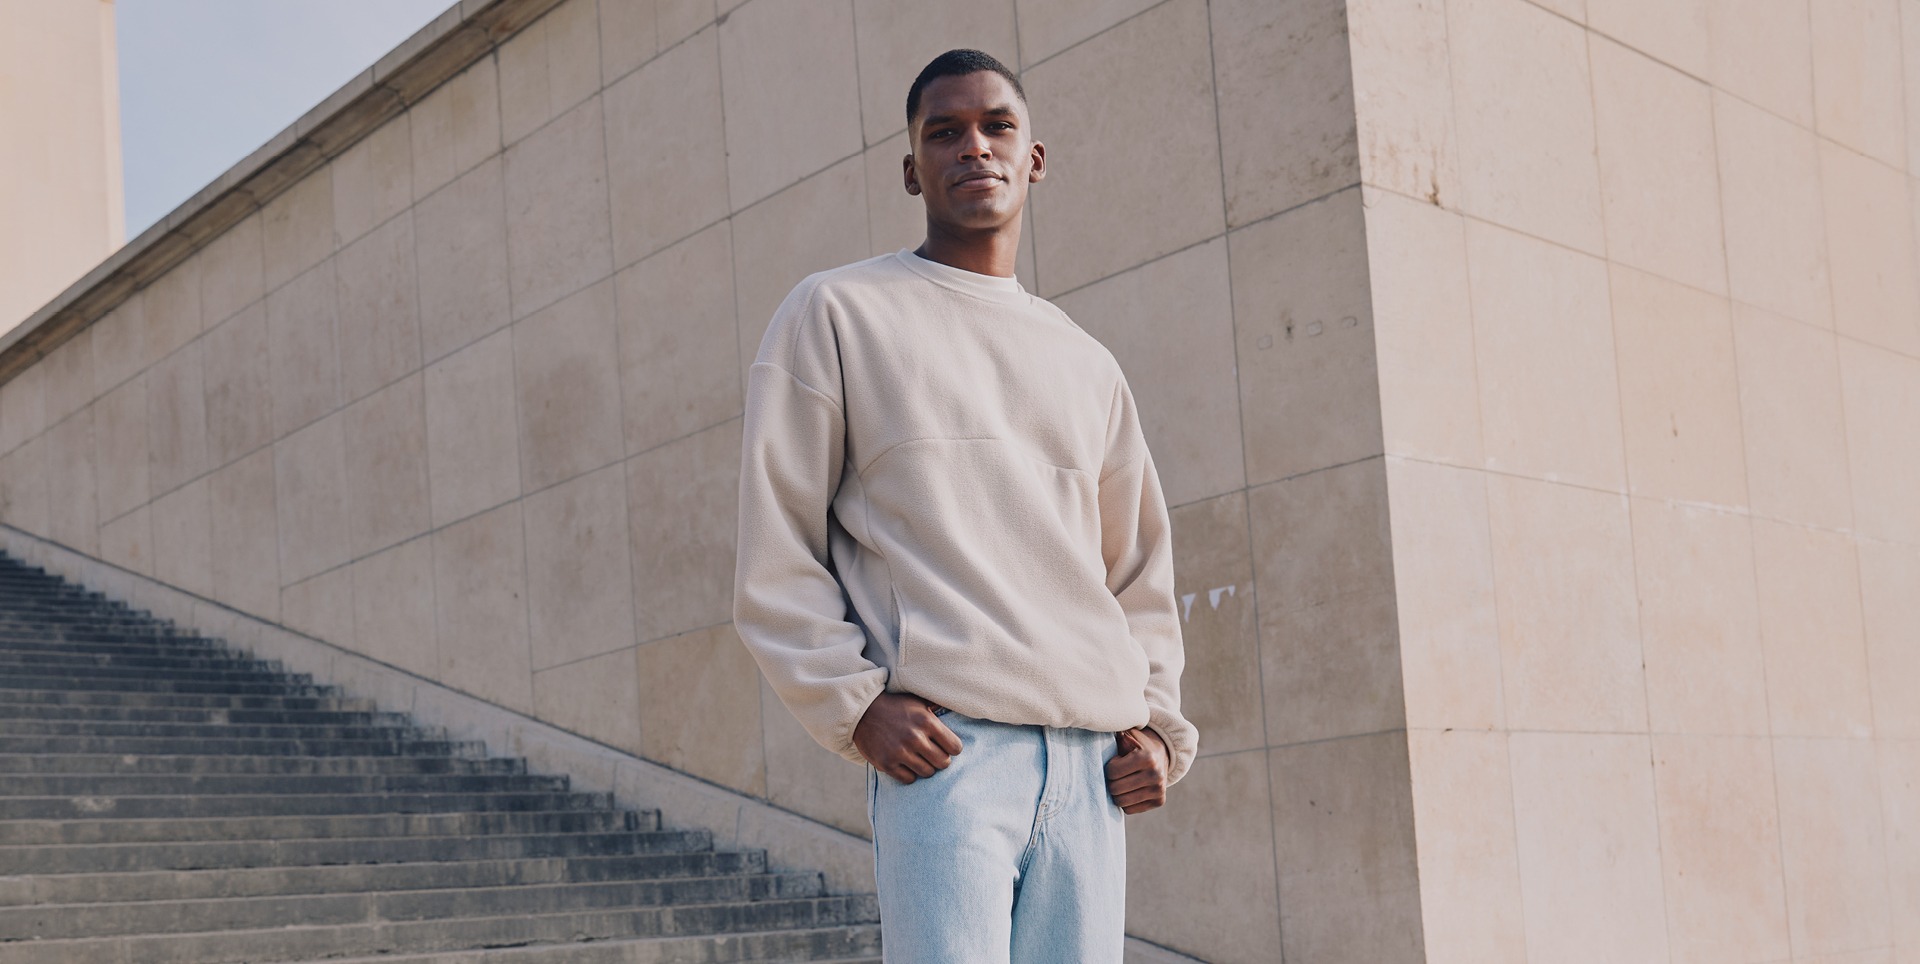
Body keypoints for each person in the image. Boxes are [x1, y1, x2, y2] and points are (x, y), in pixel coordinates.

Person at [732, 48, 1197, 963]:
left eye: (997, 127)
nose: (972, 147)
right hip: (948, 758)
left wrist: (1155, 726)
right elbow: (775, 543)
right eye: (943, 132)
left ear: (1034, 159)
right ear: (913, 169)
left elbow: (1136, 568)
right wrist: (852, 703)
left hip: (1091, 767)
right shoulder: (838, 313)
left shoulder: (1087, 362)